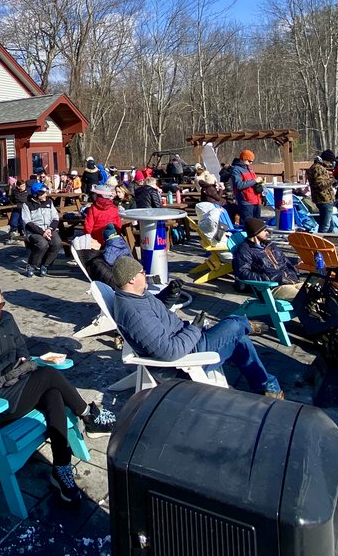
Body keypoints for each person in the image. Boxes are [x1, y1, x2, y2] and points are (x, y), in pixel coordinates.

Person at [0, 273, 116, 502]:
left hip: (19, 385)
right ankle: (88, 415)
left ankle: (61, 468)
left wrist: (21, 363)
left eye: (1, 304)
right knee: (48, 375)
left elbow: (22, 348)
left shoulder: (7, 319)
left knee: (53, 395)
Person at [110, 256, 282, 397]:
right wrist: (195, 328)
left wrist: (170, 294)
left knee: (240, 339)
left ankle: (269, 388)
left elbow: (156, 313)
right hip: (185, 357)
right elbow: (170, 352)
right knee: (234, 324)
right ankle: (247, 325)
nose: (145, 274)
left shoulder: (136, 295)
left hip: (186, 338)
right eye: (142, 272)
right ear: (132, 278)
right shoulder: (134, 314)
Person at [231, 218, 301, 300]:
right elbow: (243, 273)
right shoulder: (244, 250)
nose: (267, 233)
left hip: (290, 281)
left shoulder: (270, 246)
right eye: (264, 230)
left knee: (315, 290)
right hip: (270, 288)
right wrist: (268, 278)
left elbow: (286, 262)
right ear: (256, 232)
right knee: (306, 295)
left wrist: (292, 275)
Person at [20, 182, 61, 278]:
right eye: (43, 193)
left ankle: (45, 264)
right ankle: (32, 265)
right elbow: (28, 223)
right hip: (34, 231)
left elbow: (55, 218)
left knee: (57, 243)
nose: (46, 195)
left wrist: (50, 229)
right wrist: (42, 232)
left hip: (48, 228)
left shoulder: (49, 202)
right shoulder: (27, 205)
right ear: (36, 195)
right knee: (42, 244)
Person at [306, 151, 338, 233]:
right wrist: (333, 180)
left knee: (330, 225)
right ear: (326, 160)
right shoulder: (318, 168)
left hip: (324, 199)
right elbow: (321, 185)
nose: (330, 164)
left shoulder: (316, 167)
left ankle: (328, 241)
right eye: (330, 161)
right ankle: (320, 242)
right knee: (325, 225)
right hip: (324, 199)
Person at [229, 150, 263, 222]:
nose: (251, 163)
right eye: (249, 161)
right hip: (246, 201)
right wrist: (255, 181)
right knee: (248, 224)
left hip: (256, 200)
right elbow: (239, 185)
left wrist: (261, 191)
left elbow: (253, 183)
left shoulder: (250, 169)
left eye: (252, 161)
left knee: (257, 224)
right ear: (243, 159)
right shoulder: (236, 170)